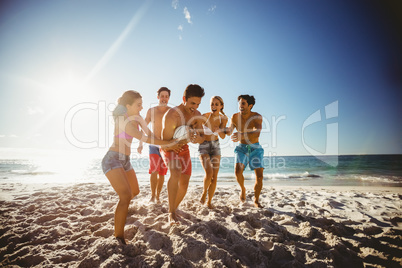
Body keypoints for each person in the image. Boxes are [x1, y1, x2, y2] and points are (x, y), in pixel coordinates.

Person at [101, 90, 182, 244]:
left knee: (134, 191)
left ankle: (122, 208)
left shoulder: (137, 118)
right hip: (112, 159)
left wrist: (171, 140)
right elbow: (143, 138)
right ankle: (118, 238)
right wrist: (170, 144)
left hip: (125, 160)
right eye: (138, 105)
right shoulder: (121, 120)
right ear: (128, 105)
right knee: (125, 196)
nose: (141, 108)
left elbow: (151, 135)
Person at [161, 84, 205, 225]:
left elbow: (202, 136)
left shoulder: (197, 115)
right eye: (192, 103)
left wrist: (198, 138)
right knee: (175, 172)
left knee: (184, 183)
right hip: (168, 147)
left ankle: (173, 207)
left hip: (184, 148)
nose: (195, 107)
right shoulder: (172, 115)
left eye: (198, 104)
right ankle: (171, 213)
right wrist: (173, 145)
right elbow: (162, 143)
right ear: (184, 99)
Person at [226, 94, 264, 208]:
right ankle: (243, 189)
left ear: (250, 105)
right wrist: (221, 129)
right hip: (242, 148)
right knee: (238, 171)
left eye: (243, 103)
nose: (240, 106)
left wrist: (242, 134)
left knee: (260, 176)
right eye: (239, 103)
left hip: (255, 148)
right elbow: (229, 130)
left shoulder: (257, 116)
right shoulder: (234, 117)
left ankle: (256, 200)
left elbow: (257, 131)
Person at [138, 87, 171, 203]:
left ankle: (158, 196)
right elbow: (144, 127)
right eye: (162, 96)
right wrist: (141, 143)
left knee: (162, 173)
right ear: (158, 97)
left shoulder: (171, 111)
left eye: (166, 96)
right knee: (154, 170)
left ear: (168, 98)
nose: (164, 99)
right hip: (153, 145)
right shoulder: (151, 111)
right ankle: (152, 196)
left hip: (166, 146)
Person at [199, 96, 228, 209]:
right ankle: (204, 192)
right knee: (209, 172)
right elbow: (195, 126)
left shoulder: (223, 119)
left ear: (221, 106)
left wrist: (219, 130)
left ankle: (209, 201)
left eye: (216, 104)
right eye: (212, 104)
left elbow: (223, 136)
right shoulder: (204, 116)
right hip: (204, 146)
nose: (214, 106)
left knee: (214, 176)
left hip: (216, 146)